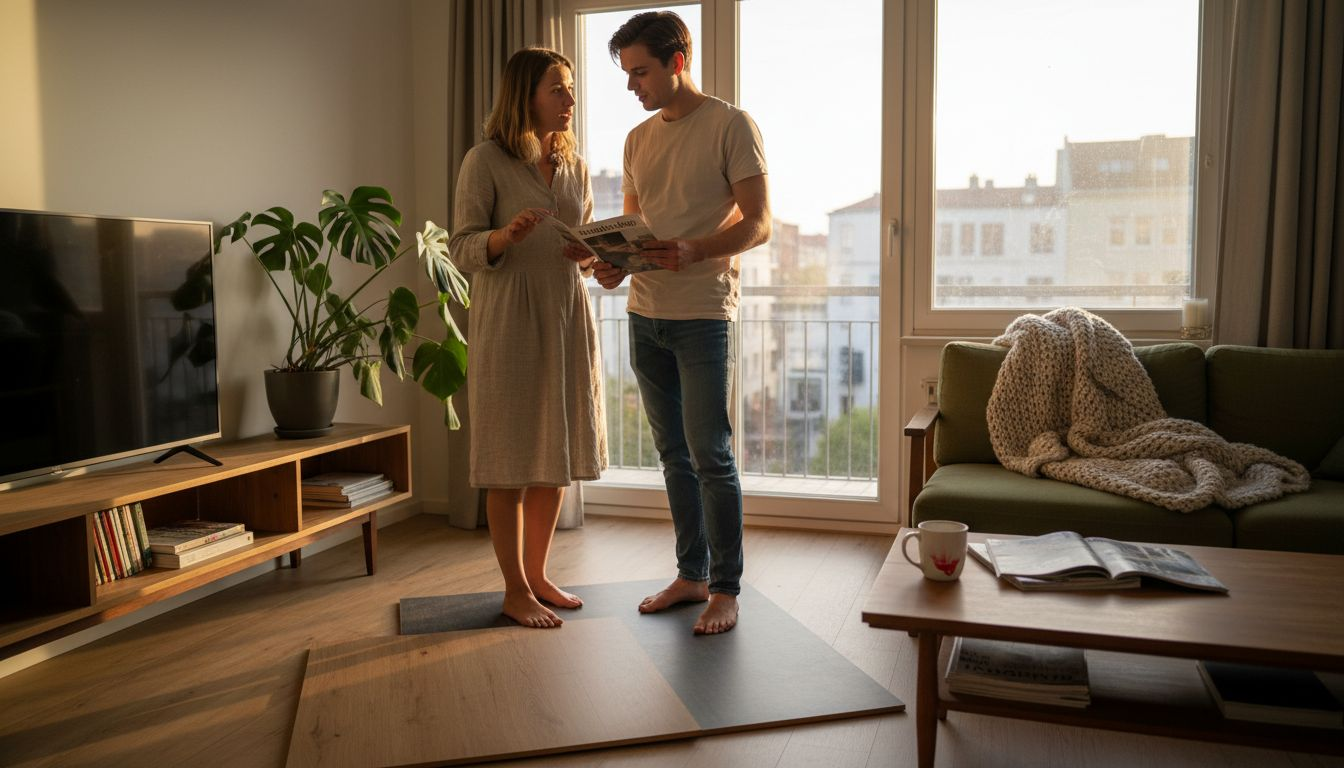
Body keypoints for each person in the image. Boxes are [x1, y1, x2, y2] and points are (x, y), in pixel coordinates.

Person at [597, 11, 771, 635]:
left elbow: (758, 222)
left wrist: (697, 248)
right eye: (626, 74)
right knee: (673, 454)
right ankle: (691, 574)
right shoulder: (638, 140)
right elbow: (633, 226)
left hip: (701, 315)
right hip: (645, 313)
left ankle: (725, 589)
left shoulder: (730, 124)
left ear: (677, 61)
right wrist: (613, 265)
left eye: (640, 71)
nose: (631, 86)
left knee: (710, 454)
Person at [449, 47, 607, 629]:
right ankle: (514, 590)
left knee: (552, 458)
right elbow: (461, 246)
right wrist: (502, 237)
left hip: (566, 315)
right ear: (526, 95)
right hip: (510, 319)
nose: (569, 100)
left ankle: (539, 577)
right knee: (509, 461)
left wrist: (590, 252)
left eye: (570, 89)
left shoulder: (575, 166)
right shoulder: (484, 161)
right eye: (558, 89)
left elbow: (583, 245)